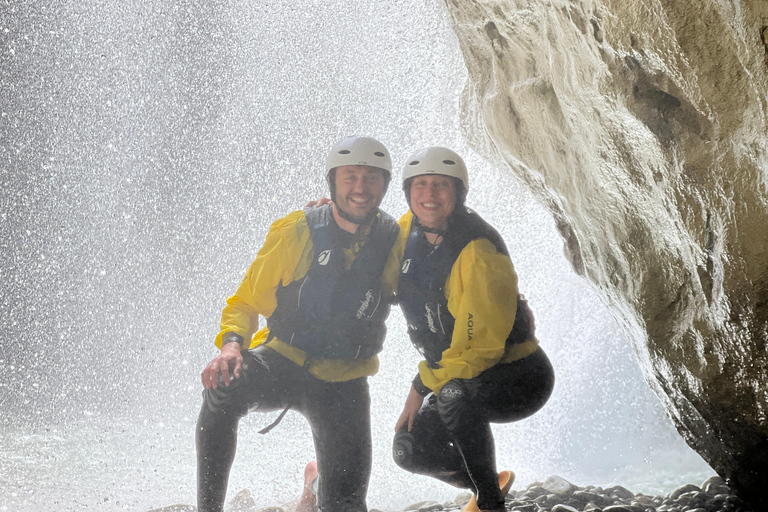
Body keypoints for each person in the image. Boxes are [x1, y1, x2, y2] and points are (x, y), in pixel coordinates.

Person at [196, 136, 402, 512]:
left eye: (371, 178)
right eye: (349, 177)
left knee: (346, 505)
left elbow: (441, 278)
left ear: (385, 185)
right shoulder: (296, 231)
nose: (360, 188)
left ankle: (317, 481)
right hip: (282, 363)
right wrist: (230, 346)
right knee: (223, 386)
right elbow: (245, 301)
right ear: (333, 184)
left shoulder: (396, 242)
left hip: (344, 383)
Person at [392, 147, 555, 512]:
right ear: (408, 192)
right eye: (420, 185)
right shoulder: (408, 232)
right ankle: (485, 482)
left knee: (451, 395)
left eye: (441, 186)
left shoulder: (478, 251)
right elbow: (368, 258)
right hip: (458, 377)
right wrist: (331, 216)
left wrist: (420, 387)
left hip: (518, 378)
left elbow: (479, 352)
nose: (429, 195)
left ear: (458, 192)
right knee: (408, 448)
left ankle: (490, 503)